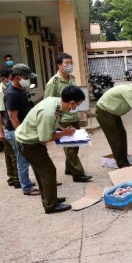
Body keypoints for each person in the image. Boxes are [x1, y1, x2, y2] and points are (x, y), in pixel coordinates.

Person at [15, 85, 86, 214]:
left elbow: (52, 124)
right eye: (78, 104)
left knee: (42, 172)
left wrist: (61, 130)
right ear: (72, 103)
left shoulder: (56, 102)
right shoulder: (49, 113)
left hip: (30, 141)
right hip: (29, 144)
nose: (77, 107)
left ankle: (50, 198)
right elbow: (45, 137)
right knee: (48, 171)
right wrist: (64, 133)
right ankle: (51, 205)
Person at [44, 52, 92, 183]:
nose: (69, 65)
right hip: (63, 119)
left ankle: (69, 168)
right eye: (66, 63)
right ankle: (78, 173)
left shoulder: (72, 78)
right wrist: (54, 121)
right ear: (59, 65)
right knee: (70, 147)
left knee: (75, 144)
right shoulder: (53, 82)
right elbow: (48, 102)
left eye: (71, 63)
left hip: (73, 115)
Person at [4, 63, 40, 196]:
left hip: (22, 129)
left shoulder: (20, 90)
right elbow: (13, 117)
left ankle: (30, 182)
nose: (28, 79)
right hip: (15, 131)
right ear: (18, 77)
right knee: (22, 160)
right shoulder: (11, 94)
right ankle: (27, 187)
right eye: (26, 77)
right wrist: (21, 134)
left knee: (27, 157)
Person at [0, 68, 20, 188]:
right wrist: (0, 131)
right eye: (10, 78)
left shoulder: (7, 89)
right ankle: (17, 179)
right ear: (4, 79)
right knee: (14, 154)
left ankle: (12, 178)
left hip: (7, 127)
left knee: (9, 153)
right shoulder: (0, 92)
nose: (12, 80)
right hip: (7, 127)